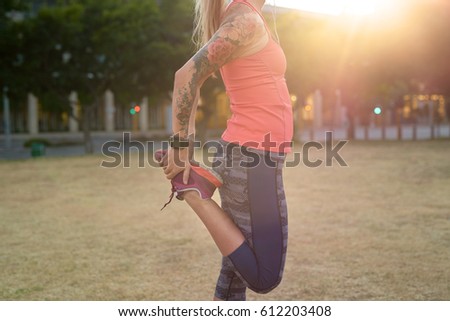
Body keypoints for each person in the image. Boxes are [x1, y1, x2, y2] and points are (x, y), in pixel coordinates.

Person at [158, 0, 293, 301]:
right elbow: (186, 77)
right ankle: (192, 189)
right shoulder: (244, 19)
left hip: (249, 155)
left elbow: (196, 81)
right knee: (264, 276)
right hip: (253, 158)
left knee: (234, 274)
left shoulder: (244, 16)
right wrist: (181, 145)